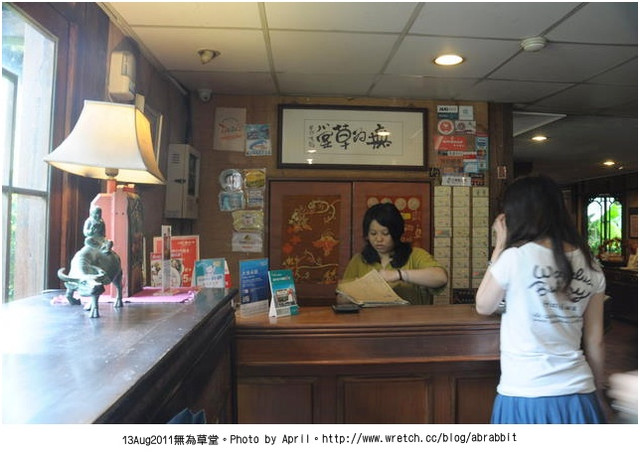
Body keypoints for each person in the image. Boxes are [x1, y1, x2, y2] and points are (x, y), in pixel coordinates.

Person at [475, 174, 609, 423]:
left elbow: (483, 305)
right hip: (579, 393)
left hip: (525, 392)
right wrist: (599, 391)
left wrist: (500, 245)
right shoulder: (591, 264)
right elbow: (595, 340)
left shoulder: (515, 257)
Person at [338, 202, 447, 305]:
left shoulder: (415, 255)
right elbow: (341, 299)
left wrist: (399, 275)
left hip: (410, 318)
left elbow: (441, 278)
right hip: (371, 318)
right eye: (373, 233)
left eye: (385, 233)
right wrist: (359, 290)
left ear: (396, 233)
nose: (378, 239)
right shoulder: (359, 260)